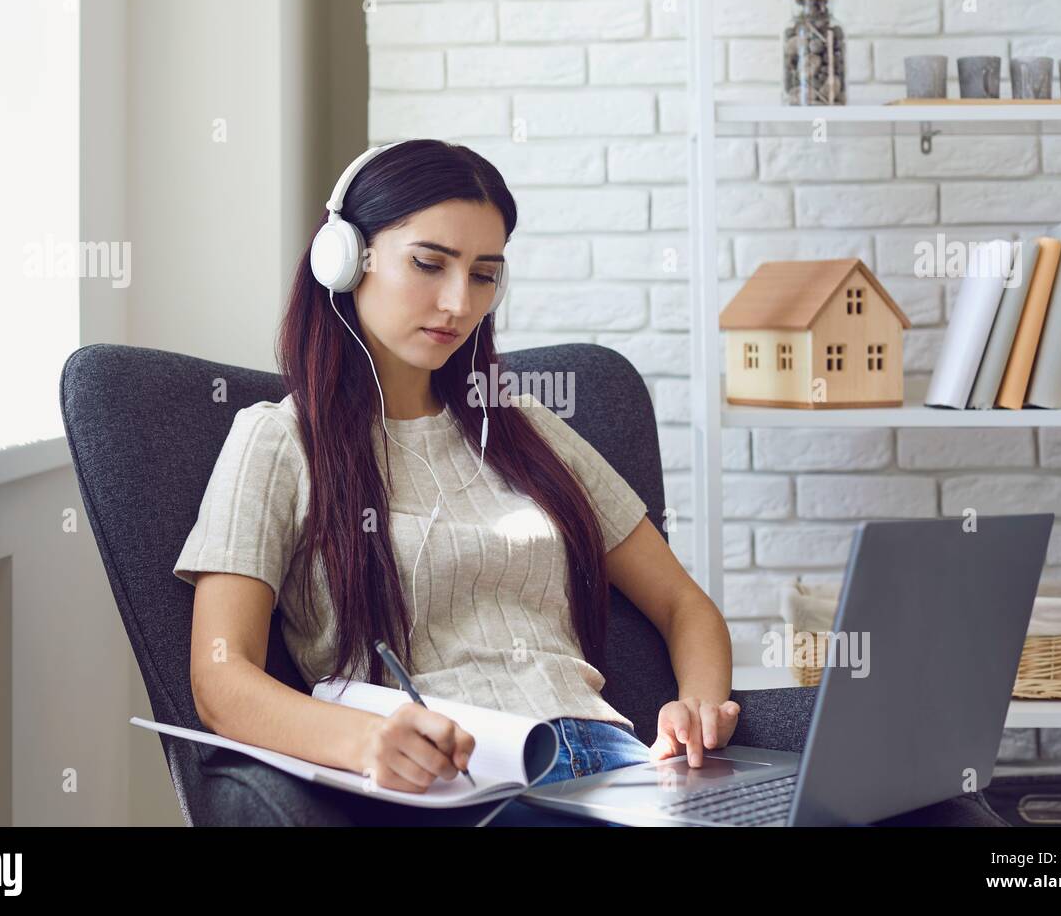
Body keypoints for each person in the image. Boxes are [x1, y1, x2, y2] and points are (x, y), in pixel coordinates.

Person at [173, 139, 740, 824]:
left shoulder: (525, 428)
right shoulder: (279, 441)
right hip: (453, 783)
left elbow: (685, 605)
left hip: (612, 762)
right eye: (429, 263)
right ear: (347, 257)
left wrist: (700, 705)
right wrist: (362, 741)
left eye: (482, 275)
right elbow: (220, 677)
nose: (457, 302)